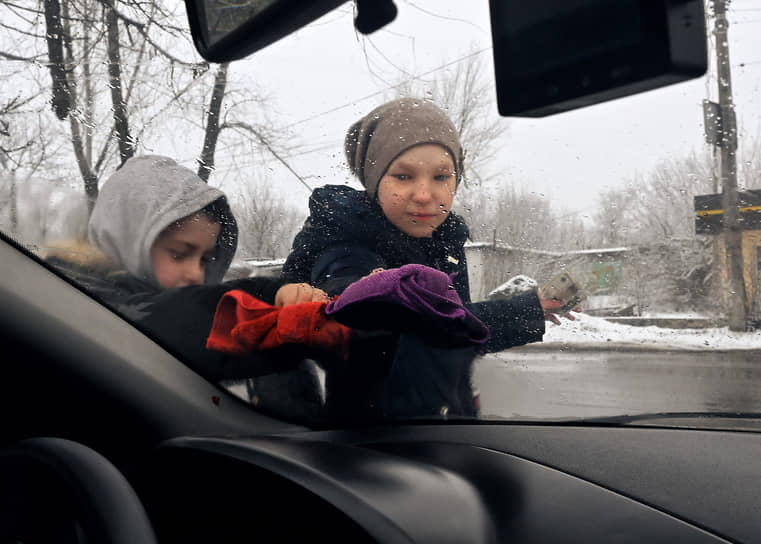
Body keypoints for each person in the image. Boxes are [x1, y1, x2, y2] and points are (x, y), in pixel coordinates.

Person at [282, 98, 572, 421]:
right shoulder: (347, 244)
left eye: (441, 177)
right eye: (403, 177)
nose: (424, 194)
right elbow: (374, 307)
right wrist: (363, 289)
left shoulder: (445, 245)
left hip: (449, 431)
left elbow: (456, 336)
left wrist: (533, 311)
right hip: (377, 446)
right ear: (376, 182)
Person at [44, 155, 330, 419]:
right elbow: (169, 321)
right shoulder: (79, 297)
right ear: (129, 235)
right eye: (179, 254)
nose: (196, 274)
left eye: (206, 259)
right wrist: (271, 301)